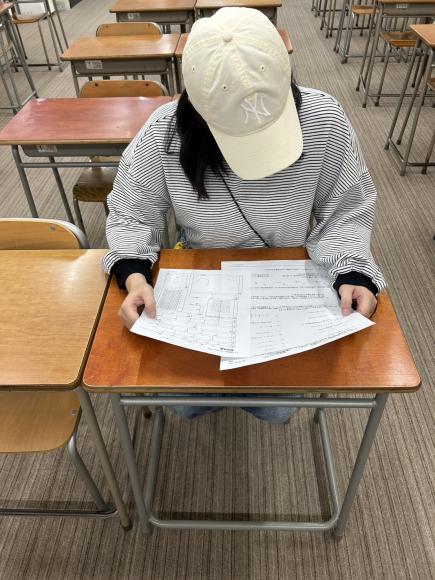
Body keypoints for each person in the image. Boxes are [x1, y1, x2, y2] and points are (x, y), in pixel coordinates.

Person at [103, 7, 386, 423]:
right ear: (199, 112)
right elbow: (131, 210)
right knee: (186, 398)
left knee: (276, 405)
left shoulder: (323, 119)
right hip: (201, 280)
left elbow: (347, 207)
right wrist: (135, 277)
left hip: (287, 285)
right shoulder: (166, 132)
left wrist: (353, 273)